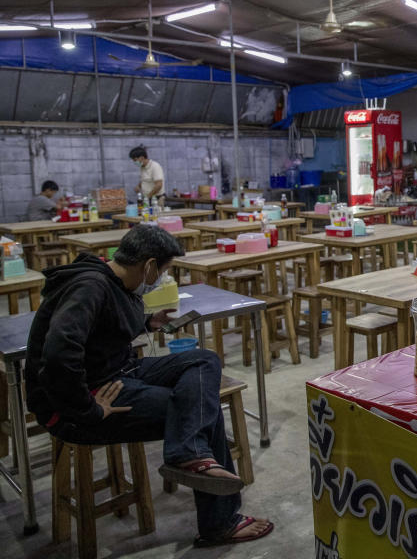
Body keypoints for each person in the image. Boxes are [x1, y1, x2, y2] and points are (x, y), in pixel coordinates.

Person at [25, 225, 273, 547]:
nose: (163, 278)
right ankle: (218, 522)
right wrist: (88, 409)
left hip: (117, 373)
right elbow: (58, 356)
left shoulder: (113, 282)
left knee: (204, 362)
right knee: (198, 409)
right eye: (165, 270)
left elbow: (100, 330)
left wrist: (146, 323)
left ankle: (189, 455)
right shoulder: (89, 286)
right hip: (82, 403)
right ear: (150, 265)